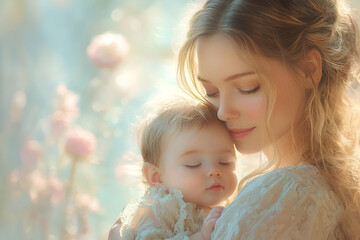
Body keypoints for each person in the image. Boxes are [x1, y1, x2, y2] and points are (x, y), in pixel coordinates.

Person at [177, 0, 360, 239]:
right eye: (212, 92)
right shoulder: (337, 184)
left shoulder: (283, 197)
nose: (223, 111)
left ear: (308, 70)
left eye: (247, 87)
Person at [109, 96, 238, 240]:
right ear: (156, 177)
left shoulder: (231, 206)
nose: (214, 170)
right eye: (193, 164)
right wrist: (200, 237)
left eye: (225, 162)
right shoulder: (159, 210)